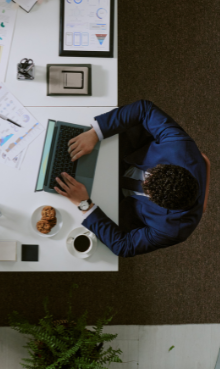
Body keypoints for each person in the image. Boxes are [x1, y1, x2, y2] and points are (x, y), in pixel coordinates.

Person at [54, 100, 206, 257]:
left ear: (159, 205)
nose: (144, 181)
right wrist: (95, 133)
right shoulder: (180, 148)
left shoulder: (172, 230)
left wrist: (85, 205)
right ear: (172, 166)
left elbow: (124, 247)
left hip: (118, 204)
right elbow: (144, 109)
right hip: (125, 154)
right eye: (152, 174)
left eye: (147, 187)